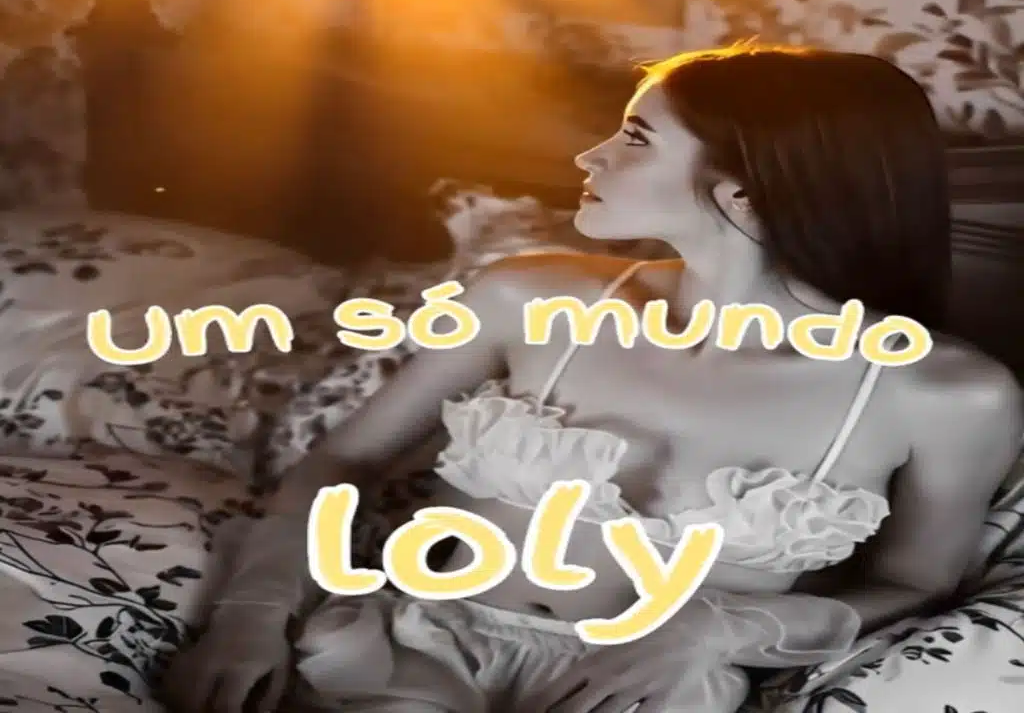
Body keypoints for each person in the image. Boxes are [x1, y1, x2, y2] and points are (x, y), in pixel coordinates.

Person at [162, 45, 1023, 713]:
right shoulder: (530, 295)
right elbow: (343, 463)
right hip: (420, 650)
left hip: (649, 687)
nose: (589, 154)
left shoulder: (946, 395)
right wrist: (252, 614)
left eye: (635, 137)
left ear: (745, 193)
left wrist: (726, 628)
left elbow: (919, 584)